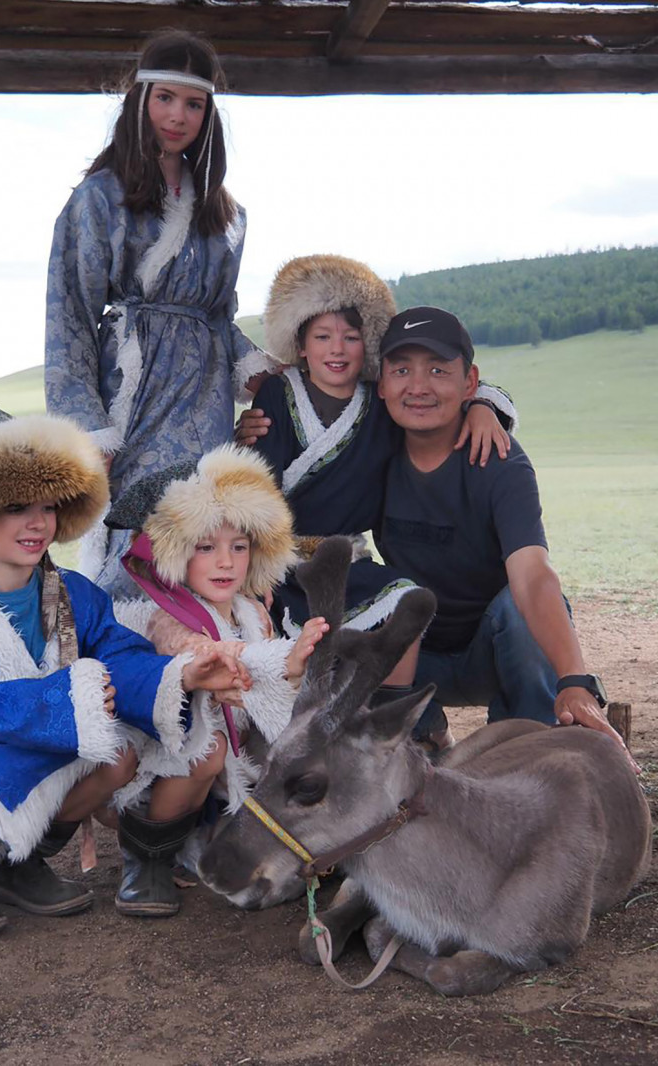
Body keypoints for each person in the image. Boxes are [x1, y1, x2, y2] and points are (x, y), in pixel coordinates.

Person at [0, 406, 250, 942]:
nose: (37, 522)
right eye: (15, 507)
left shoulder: (75, 593)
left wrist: (183, 674)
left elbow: (121, 656)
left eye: (48, 507)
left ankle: (18, 866)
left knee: (116, 755)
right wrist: (60, 700)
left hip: (44, 752)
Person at [240, 256, 514, 745]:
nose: (337, 349)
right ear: (300, 346)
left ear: (369, 343)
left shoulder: (382, 398)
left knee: (404, 600)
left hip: (346, 560)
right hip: (279, 562)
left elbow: (440, 391)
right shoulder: (277, 396)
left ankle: (402, 726)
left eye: (350, 336)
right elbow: (251, 489)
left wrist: (483, 407)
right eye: (322, 337)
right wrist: (254, 568)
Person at [45, 30, 276, 598]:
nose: (178, 115)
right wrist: (87, 424)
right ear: (140, 101)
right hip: (134, 389)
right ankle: (130, 657)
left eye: (193, 103)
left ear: (208, 114)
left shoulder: (226, 215)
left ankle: (204, 661)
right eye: (165, 98)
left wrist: (264, 378)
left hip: (206, 399)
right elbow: (68, 313)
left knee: (205, 525)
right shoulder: (101, 197)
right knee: (136, 525)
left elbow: (219, 318)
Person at [374, 306, 633, 760]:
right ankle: (422, 734)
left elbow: (533, 575)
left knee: (517, 604)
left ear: (469, 382)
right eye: (401, 370)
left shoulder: (501, 461)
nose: (418, 386)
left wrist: (574, 679)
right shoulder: (371, 452)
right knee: (340, 607)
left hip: (492, 651)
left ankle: (528, 748)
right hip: (410, 661)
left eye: (438, 370)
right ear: (380, 383)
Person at [104, 444, 328, 913]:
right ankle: (146, 856)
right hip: (165, 757)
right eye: (206, 548)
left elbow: (262, 690)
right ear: (177, 554)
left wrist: (291, 668)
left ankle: (257, 836)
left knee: (283, 744)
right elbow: (207, 655)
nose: (226, 561)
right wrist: (283, 660)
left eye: (239, 547)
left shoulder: (253, 613)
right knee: (209, 751)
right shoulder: (163, 617)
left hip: (234, 765)